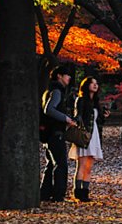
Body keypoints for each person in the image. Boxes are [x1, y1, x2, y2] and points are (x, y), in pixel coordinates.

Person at [69, 76, 109, 202]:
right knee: (81, 165)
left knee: (89, 166)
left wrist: (105, 116)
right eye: (92, 83)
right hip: (85, 135)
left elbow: (99, 121)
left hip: (94, 135)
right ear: (86, 86)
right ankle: (77, 192)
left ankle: (85, 193)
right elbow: (78, 116)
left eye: (96, 83)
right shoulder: (81, 100)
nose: (95, 85)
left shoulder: (96, 103)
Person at [41, 65, 77, 202]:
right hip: (55, 133)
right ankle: (58, 194)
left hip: (49, 133)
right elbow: (49, 109)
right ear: (59, 76)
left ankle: (44, 193)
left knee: (51, 164)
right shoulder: (57, 91)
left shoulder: (51, 90)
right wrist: (66, 118)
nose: (69, 77)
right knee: (61, 164)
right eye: (67, 75)